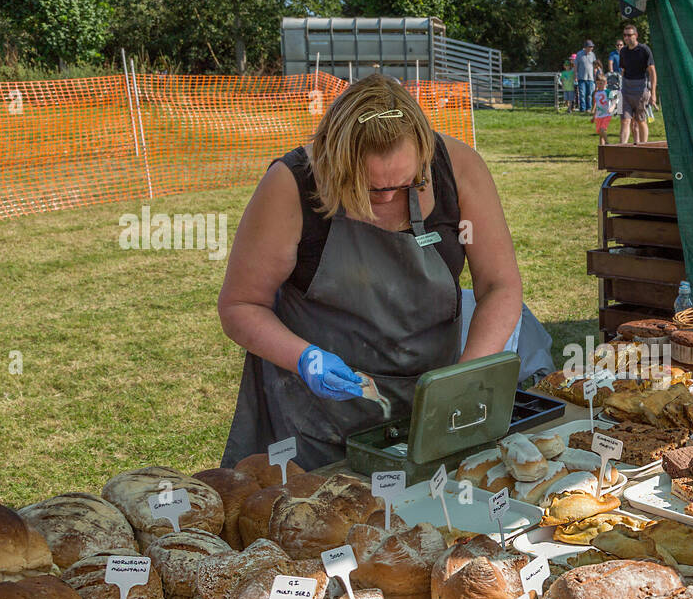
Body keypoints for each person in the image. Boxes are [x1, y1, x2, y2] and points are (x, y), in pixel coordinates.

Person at [216, 73, 524, 470]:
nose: (392, 197)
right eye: (373, 189)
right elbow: (241, 304)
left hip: (429, 411)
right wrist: (306, 359)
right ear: (335, 164)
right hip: (316, 421)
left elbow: (500, 285)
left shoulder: (457, 169)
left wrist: (462, 380)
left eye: (409, 183)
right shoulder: (292, 184)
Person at [618, 23, 657, 143]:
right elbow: (623, 70)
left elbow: (652, 72)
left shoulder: (644, 50)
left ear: (636, 35)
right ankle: (622, 150)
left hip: (640, 90)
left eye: (629, 35)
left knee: (641, 120)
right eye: (625, 35)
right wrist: (620, 90)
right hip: (626, 89)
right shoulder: (623, 51)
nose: (627, 38)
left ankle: (643, 147)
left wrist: (653, 94)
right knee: (625, 120)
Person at [575, 40, 598, 113]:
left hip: (590, 78)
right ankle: (582, 109)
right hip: (581, 77)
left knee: (589, 94)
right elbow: (576, 65)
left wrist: (595, 73)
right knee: (582, 93)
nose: (591, 48)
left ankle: (588, 108)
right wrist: (575, 76)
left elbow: (595, 65)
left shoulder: (593, 55)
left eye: (592, 47)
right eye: (590, 47)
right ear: (585, 47)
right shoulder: (579, 54)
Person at [591, 81, 617, 145]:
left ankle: (607, 143)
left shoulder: (608, 92)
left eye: (601, 83)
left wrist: (612, 108)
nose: (599, 85)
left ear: (605, 83)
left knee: (602, 129)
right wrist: (594, 116)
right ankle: (602, 149)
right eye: (597, 83)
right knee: (600, 133)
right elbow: (596, 105)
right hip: (599, 116)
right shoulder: (596, 93)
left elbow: (614, 101)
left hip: (607, 115)